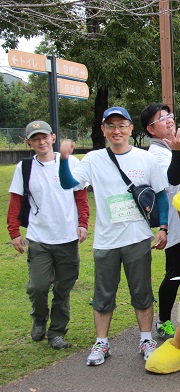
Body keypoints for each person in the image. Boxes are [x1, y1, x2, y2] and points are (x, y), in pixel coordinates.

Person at [58, 107, 169, 366]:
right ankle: (102, 343)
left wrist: (163, 227)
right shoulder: (94, 159)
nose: (116, 130)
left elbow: (161, 194)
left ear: (131, 128)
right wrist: (64, 159)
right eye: (111, 126)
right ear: (103, 130)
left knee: (141, 292)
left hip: (138, 238)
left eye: (121, 125)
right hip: (106, 241)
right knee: (103, 294)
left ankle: (145, 339)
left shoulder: (146, 159)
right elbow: (68, 184)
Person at [7, 120, 89, 350]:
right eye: (35, 138)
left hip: (67, 238)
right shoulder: (25, 168)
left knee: (63, 289)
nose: (41, 142)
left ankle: (57, 333)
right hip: (39, 237)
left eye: (44, 137)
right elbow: (16, 201)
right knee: (38, 287)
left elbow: (80, 196)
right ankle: (39, 319)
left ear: (53, 138)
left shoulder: (71, 162)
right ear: (28, 142)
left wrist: (83, 223)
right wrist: (14, 232)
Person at [141, 103, 180, 342]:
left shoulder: (175, 147)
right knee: (176, 272)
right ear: (151, 129)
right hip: (175, 226)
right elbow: (172, 181)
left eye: (170, 115)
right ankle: (164, 321)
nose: (169, 120)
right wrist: (178, 153)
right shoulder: (156, 154)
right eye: (162, 118)